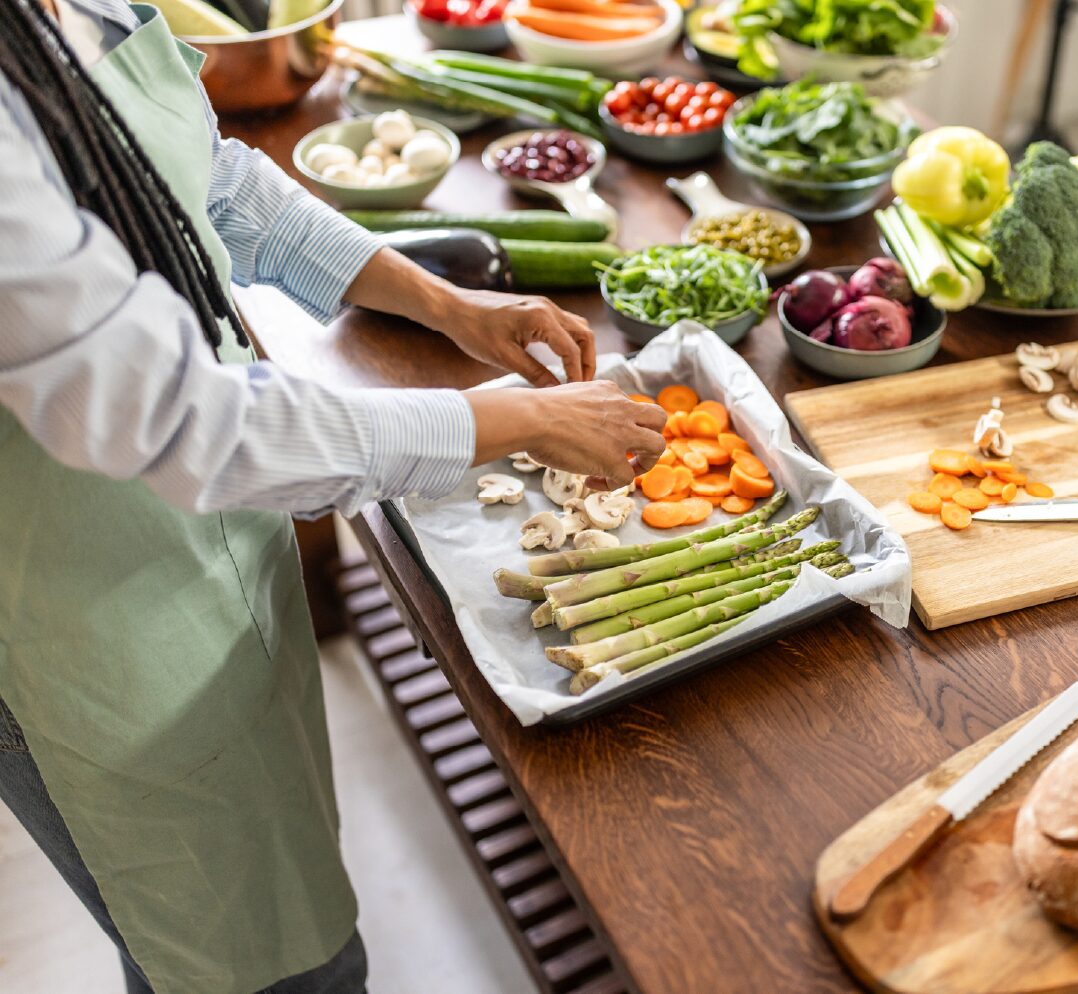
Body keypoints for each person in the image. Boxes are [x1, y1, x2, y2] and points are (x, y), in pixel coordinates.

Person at [0, 0, 666, 991]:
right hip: (84, 616)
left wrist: (448, 303)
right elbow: (187, 420)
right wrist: (514, 423)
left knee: (283, 903)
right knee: (259, 967)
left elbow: (208, 182)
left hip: (213, 543)